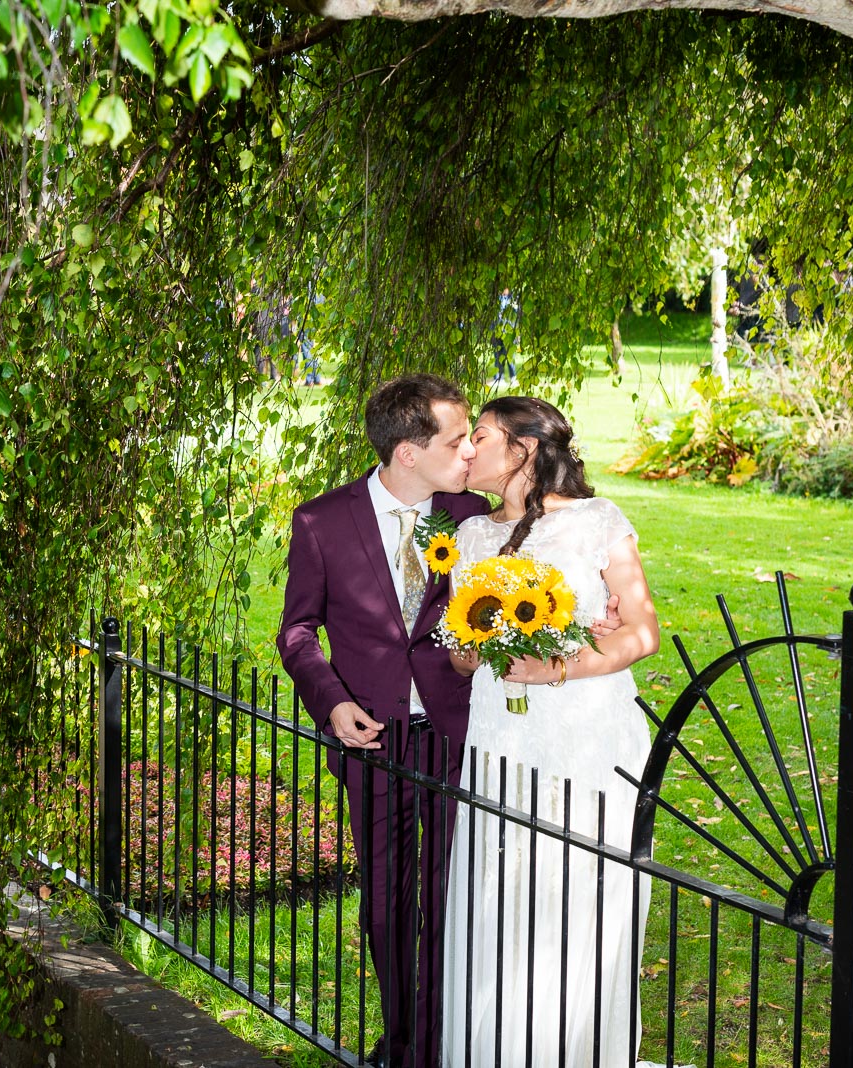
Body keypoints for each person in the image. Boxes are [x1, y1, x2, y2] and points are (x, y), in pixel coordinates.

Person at [440, 396, 661, 1068]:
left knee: (577, 893)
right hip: (499, 737)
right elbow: (458, 653)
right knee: (497, 894)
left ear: (525, 448)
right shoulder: (472, 535)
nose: (467, 449)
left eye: (479, 436)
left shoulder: (598, 522)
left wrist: (559, 665)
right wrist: (487, 641)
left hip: (587, 736)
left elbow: (643, 634)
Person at [277, 373, 490, 1068]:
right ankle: (403, 1037)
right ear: (408, 451)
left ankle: (436, 1042)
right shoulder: (320, 521)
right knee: (387, 906)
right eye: (456, 439)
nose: (468, 451)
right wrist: (331, 699)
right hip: (373, 739)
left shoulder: (469, 514)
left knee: (453, 895)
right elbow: (297, 631)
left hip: (459, 735)